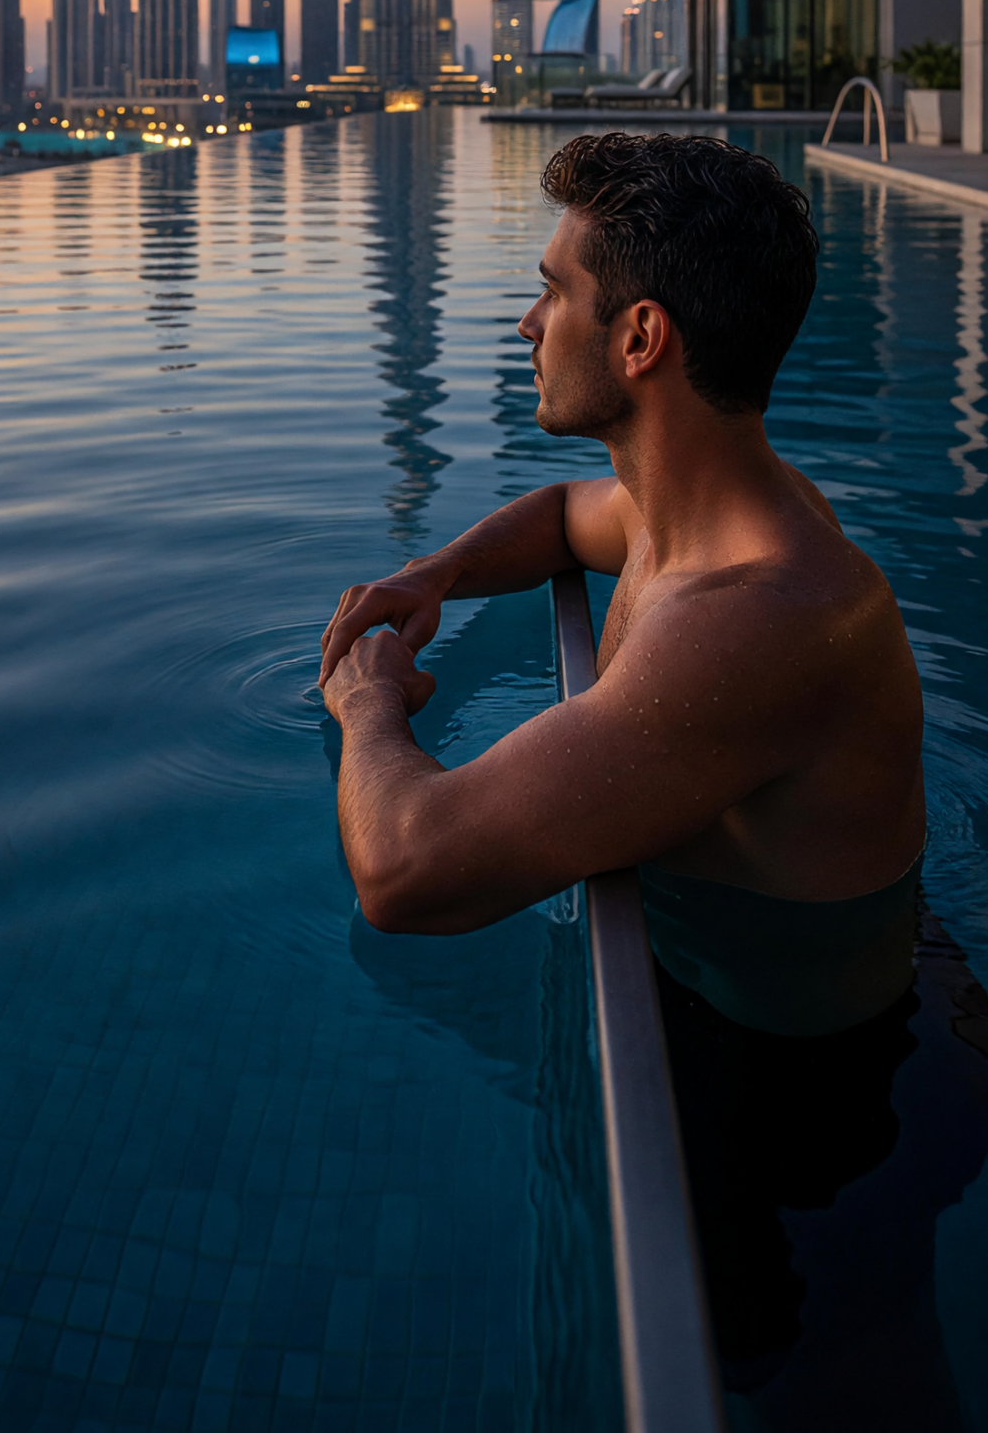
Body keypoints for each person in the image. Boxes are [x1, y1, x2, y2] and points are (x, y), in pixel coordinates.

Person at [318, 128, 926, 1034]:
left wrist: (369, 703)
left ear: (641, 337)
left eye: (554, 291)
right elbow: (568, 514)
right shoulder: (699, 507)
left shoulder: (758, 622)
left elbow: (406, 874)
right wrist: (435, 572)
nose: (529, 322)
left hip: (799, 1090)